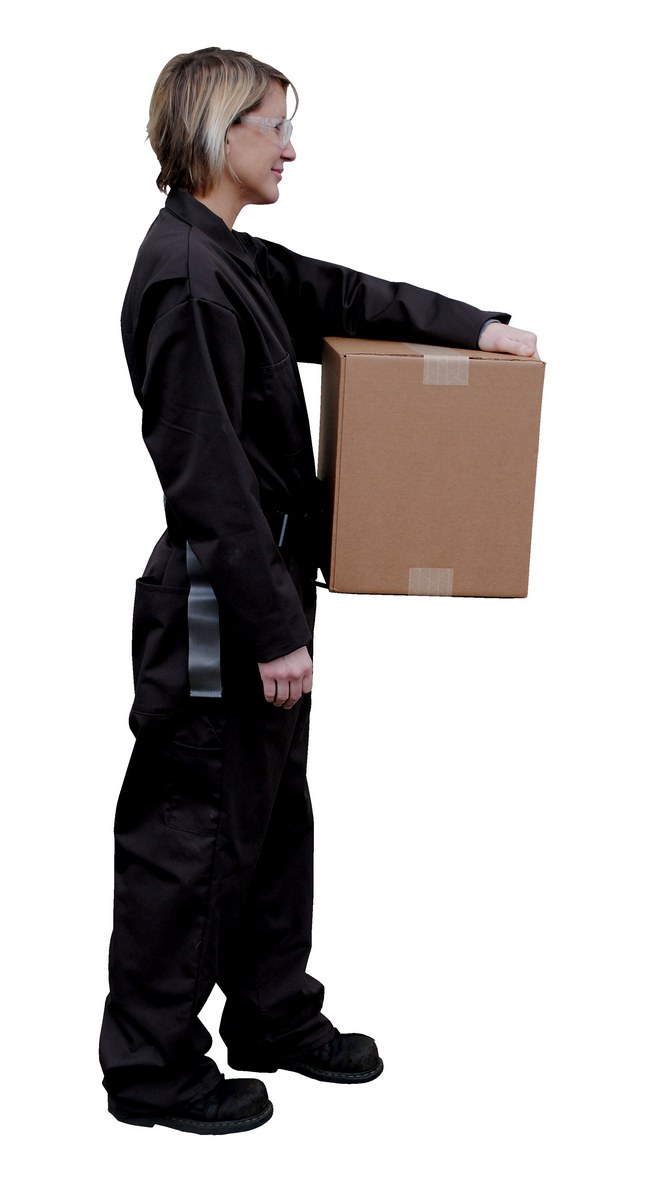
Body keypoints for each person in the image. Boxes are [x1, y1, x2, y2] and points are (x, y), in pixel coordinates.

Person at [99, 46, 538, 1137]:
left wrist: (474, 330)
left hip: (258, 591)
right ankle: (150, 1069)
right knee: (192, 829)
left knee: (267, 814)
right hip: (218, 605)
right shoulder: (184, 276)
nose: (290, 148)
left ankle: (272, 1011)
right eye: (275, 125)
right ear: (219, 133)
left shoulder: (228, 258)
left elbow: (335, 294)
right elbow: (206, 478)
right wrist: (272, 630)